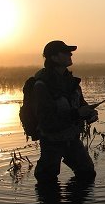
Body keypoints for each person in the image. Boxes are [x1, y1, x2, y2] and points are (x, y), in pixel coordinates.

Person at [33, 40, 98, 182]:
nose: (70, 54)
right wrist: (77, 114)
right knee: (46, 178)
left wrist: (90, 113)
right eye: (65, 52)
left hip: (71, 137)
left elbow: (81, 103)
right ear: (54, 58)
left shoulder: (71, 81)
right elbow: (46, 119)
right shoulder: (42, 85)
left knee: (87, 172)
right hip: (52, 140)